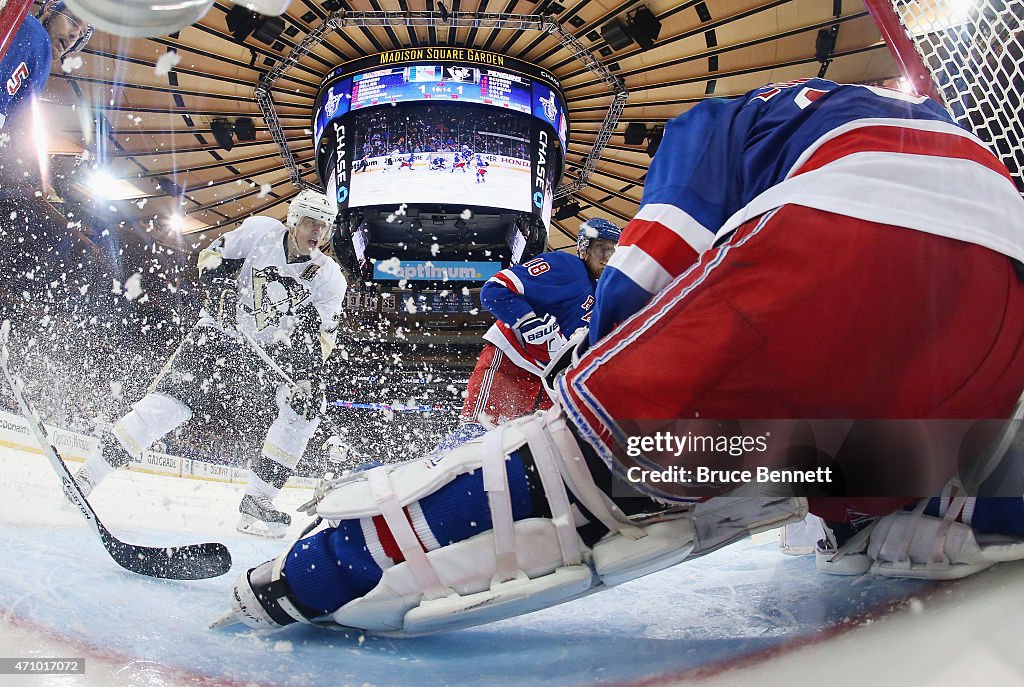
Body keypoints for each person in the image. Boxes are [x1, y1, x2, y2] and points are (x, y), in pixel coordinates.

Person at [214, 79, 1024, 635]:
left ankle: (318, 572)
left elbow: (641, 285)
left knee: (592, 455)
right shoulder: (566, 268)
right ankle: (905, 505)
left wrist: (594, 389)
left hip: (853, 242)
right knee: (839, 456)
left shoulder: (705, 131)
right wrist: (564, 346)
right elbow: (509, 291)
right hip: (1003, 296)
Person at [73, 190, 347, 538]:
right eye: (311, 223)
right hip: (218, 334)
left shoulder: (327, 277)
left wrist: (307, 379)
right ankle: (90, 474)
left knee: (306, 408)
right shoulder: (260, 232)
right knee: (170, 406)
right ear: (294, 221)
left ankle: (259, 500)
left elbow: (318, 335)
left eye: (324, 227)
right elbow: (211, 257)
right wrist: (220, 291)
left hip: (267, 350)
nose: (317, 233)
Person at [460, 218, 620, 427]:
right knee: (475, 439)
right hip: (510, 364)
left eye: (613, 250)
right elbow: (495, 289)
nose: (608, 257)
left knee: (540, 453)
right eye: (601, 248)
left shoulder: (604, 295)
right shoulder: (566, 266)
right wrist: (528, 322)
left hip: (548, 384)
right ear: (584, 248)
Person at [0, 1, 92, 130]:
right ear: (49, 8)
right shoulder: (35, 34)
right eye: (72, 21)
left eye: (80, 36)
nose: (74, 36)